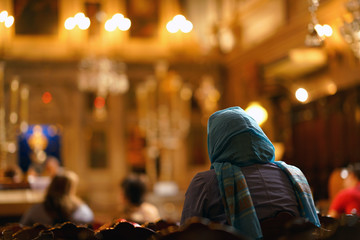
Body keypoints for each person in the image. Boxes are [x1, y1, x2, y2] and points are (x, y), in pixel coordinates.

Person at [180, 106, 320, 239]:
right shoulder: (293, 174)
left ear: (216, 142)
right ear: (260, 136)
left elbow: (185, 235)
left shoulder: (205, 182)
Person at [20, 170, 94, 226]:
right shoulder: (82, 211)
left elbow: (22, 228)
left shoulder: (36, 210)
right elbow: (90, 227)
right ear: (71, 188)